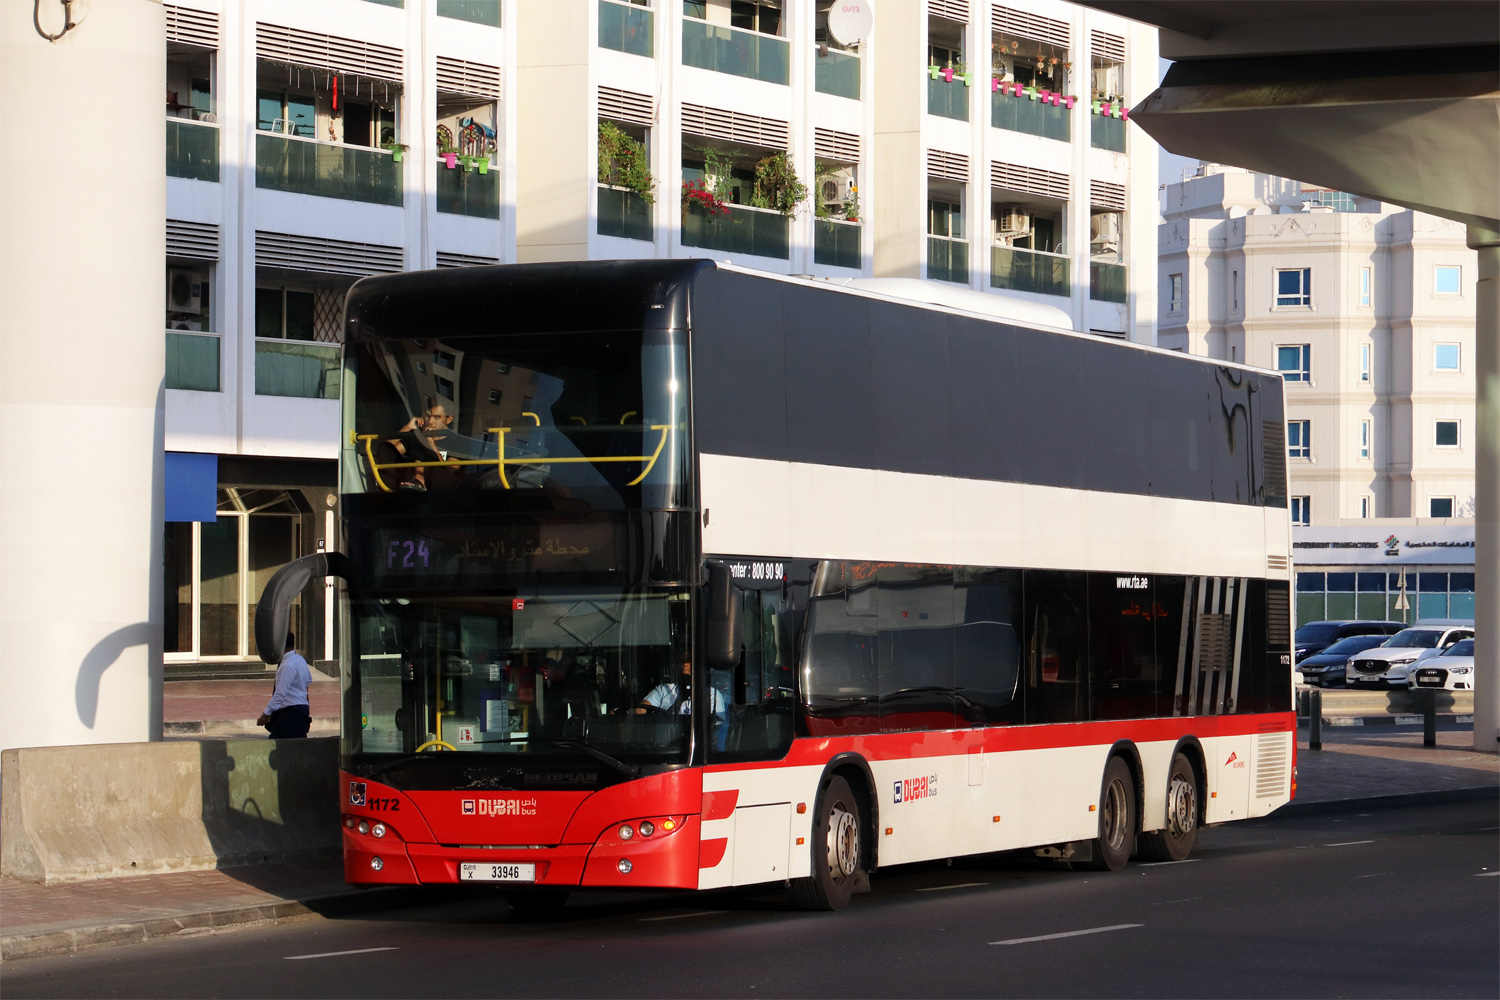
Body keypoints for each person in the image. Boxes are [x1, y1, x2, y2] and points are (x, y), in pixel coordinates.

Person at [257, 632, 312, 739]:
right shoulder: (300, 660)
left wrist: (266, 713)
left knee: (279, 747)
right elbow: (308, 681)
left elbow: (280, 693)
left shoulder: (287, 665)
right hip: (301, 709)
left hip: (289, 713)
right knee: (298, 747)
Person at [640, 661, 726, 716]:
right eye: (682, 661)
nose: (685, 664)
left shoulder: (712, 694)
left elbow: (714, 727)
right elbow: (642, 709)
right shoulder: (664, 689)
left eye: (689, 660)